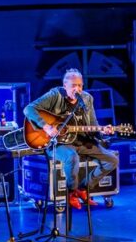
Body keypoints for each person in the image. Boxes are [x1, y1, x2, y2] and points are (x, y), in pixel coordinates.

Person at [23, 68, 118, 209]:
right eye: (74, 85)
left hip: (83, 141)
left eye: (80, 85)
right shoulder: (55, 95)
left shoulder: (87, 99)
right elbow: (28, 109)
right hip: (58, 143)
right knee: (72, 157)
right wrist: (47, 127)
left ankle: (83, 189)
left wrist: (103, 131)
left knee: (112, 160)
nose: (77, 89)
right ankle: (71, 192)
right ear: (65, 85)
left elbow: (93, 124)